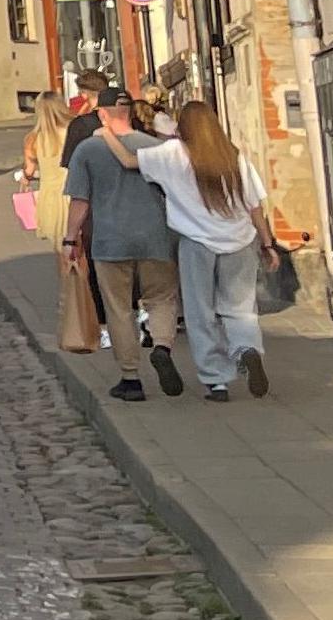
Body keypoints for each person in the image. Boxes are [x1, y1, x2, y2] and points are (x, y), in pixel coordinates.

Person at [135, 103, 281, 402]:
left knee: (200, 311)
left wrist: (108, 135)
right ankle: (246, 350)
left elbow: (129, 160)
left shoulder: (172, 154)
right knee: (240, 308)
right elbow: (255, 207)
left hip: (196, 241)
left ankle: (216, 382)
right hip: (240, 239)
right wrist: (268, 244)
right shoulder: (233, 156)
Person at [64, 90, 185, 402]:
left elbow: (80, 201)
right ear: (130, 112)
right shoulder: (157, 147)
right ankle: (161, 346)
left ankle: (131, 378)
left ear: (102, 115)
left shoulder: (87, 150)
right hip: (156, 236)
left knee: (119, 309)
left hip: (109, 240)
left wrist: (69, 239)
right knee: (162, 298)